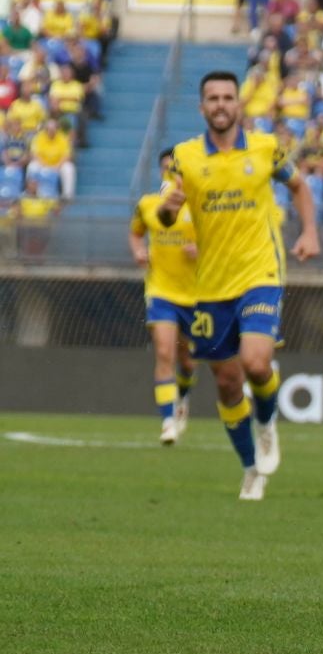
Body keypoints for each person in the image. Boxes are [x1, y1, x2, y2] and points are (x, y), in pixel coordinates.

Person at [158, 71, 320, 499]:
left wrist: (309, 232)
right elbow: (164, 214)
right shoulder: (184, 157)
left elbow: (300, 188)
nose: (221, 104)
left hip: (260, 272)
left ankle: (266, 422)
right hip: (210, 285)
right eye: (212, 98)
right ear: (202, 107)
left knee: (255, 363)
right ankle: (250, 468)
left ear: (239, 105)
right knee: (228, 384)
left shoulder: (267, 148)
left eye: (228, 97)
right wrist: (169, 209)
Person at [130, 152, 200, 446]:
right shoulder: (148, 204)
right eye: (166, 167)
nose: (170, 173)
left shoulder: (198, 206)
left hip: (196, 295)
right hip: (160, 291)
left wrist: (201, 249)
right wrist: (138, 251)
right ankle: (168, 422)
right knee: (164, 353)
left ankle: (182, 397)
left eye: (175, 168)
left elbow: (220, 241)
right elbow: (136, 234)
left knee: (187, 361)